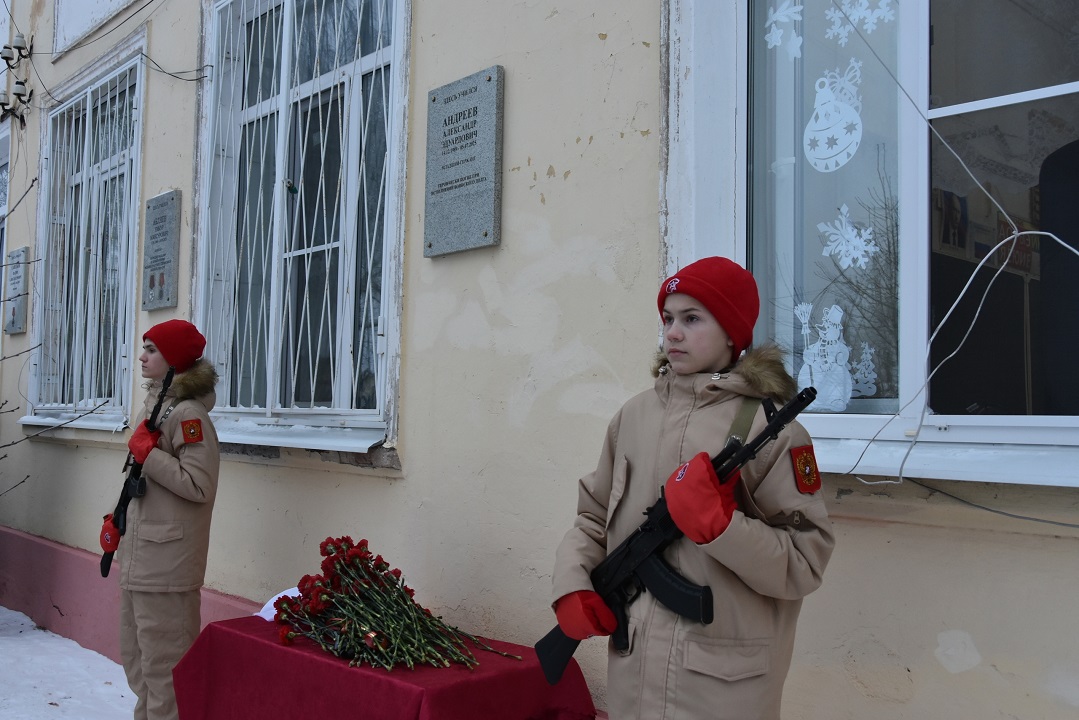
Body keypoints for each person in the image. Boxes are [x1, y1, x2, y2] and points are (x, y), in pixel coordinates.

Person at [551, 257, 834, 720]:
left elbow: (806, 562)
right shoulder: (633, 418)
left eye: (691, 319)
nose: (672, 333)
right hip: (634, 679)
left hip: (721, 689)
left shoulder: (773, 432)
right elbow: (592, 517)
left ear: (731, 333)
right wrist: (573, 583)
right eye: (667, 319)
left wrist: (722, 528)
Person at [119, 319, 220, 720]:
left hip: (168, 565)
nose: (142, 357)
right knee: (137, 664)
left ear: (174, 359)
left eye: (152, 349)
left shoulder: (189, 415)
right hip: (139, 556)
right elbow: (139, 478)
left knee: (166, 674)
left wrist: (151, 455)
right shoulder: (156, 405)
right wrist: (117, 517)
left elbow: (199, 486)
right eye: (144, 348)